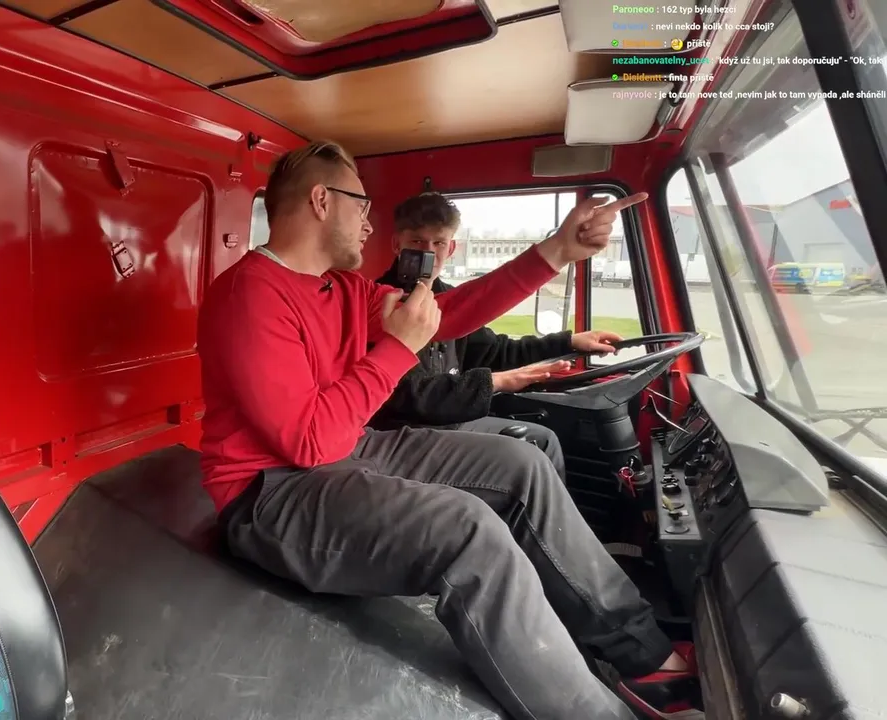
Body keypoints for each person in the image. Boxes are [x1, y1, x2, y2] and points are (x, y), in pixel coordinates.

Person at [196, 139, 697, 720]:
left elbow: (446, 315)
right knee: (467, 531)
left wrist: (557, 251)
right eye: (361, 206)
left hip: (346, 449)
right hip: (268, 491)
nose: (369, 223)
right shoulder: (250, 294)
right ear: (320, 201)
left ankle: (641, 653)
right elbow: (308, 442)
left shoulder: (343, 287)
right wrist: (396, 349)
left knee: (523, 465)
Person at [367, 192, 626, 480]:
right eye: (417, 242)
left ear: (451, 248)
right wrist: (497, 381)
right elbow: (406, 396)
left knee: (544, 440)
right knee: (528, 460)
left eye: (438, 243)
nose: (429, 253)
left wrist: (568, 342)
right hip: (403, 432)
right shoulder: (378, 305)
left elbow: (494, 351)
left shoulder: (451, 299)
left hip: (450, 422)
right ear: (397, 244)